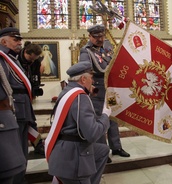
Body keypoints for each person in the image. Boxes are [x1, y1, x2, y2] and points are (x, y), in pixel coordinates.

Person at [46, 61, 111, 184]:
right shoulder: (80, 97)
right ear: (83, 79)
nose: (93, 81)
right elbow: (92, 134)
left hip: (62, 148)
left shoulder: (67, 91)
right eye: (91, 78)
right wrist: (105, 116)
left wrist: (88, 93)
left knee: (103, 150)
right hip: (74, 158)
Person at [79, 24, 130, 163]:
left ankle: (116, 147)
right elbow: (86, 71)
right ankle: (103, 150)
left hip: (110, 90)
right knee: (100, 119)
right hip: (97, 90)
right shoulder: (86, 51)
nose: (100, 39)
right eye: (96, 37)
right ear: (90, 36)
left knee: (112, 117)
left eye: (102, 36)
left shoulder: (107, 47)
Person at [0, 27, 36, 184]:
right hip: (14, 108)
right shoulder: (2, 58)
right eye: (15, 39)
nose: (19, 43)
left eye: (20, 39)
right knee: (14, 149)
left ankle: (21, 177)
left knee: (22, 147)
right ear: (3, 41)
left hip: (23, 107)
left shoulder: (12, 58)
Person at [18, 41, 45, 155]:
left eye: (35, 59)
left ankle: (38, 145)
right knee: (23, 123)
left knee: (31, 122)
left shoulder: (35, 62)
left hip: (27, 95)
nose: (32, 61)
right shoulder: (16, 60)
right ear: (26, 52)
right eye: (30, 58)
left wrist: (35, 87)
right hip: (17, 97)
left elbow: (36, 77)